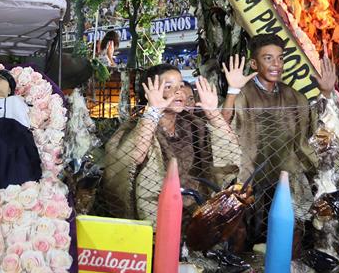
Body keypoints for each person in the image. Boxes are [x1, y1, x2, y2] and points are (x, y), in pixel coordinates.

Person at [221, 34, 337, 237]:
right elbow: (222, 126)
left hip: (287, 181)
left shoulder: (294, 96)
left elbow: (318, 130)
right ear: (254, 63)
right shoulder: (244, 93)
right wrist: (232, 91)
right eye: (268, 58)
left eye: (280, 58)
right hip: (249, 181)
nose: (276, 64)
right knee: (249, 240)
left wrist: (326, 94)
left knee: (287, 238)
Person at [103, 64, 240, 226]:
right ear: (150, 92)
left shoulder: (193, 124)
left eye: (180, 86)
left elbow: (230, 147)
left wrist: (213, 113)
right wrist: (153, 110)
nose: (178, 91)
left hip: (196, 210)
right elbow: (133, 157)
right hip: (156, 212)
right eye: (168, 86)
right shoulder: (138, 125)